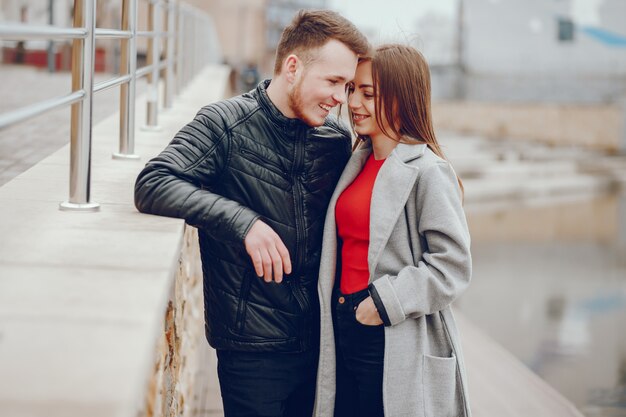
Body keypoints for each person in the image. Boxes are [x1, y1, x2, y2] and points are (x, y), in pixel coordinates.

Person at [134, 9, 369, 417]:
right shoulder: (224, 123)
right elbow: (153, 182)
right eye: (333, 81)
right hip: (251, 351)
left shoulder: (335, 139)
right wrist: (243, 222)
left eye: (347, 85)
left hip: (321, 345)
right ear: (292, 67)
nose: (341, 98)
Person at [313, 44, 472, 417]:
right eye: (353, 89)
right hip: (340, 324)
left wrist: (382, 305)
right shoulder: (356, 162)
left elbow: (453, 266)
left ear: (401, 99)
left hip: (390, 329)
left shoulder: (428, 172)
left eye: (368, 93)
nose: (353, 102)